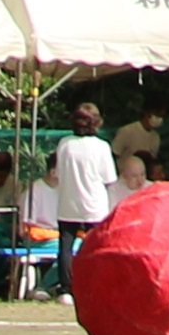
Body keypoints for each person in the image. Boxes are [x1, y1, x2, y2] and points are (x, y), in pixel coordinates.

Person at [48, 103, 122, 254]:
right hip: (94, 208)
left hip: (68, 206)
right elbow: (110, 178)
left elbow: (58, 174)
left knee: (65, 249)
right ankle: (96, 278)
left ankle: (66, 278)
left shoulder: (65, 143)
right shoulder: (101, 147)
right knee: (98, 248)